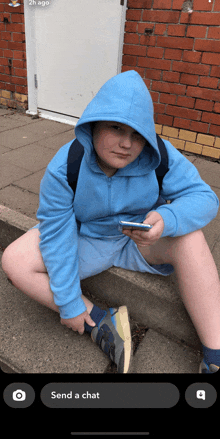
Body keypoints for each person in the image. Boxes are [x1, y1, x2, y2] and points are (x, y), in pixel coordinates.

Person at [2, 70, 220, 374]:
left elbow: (205, 197)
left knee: (191, 235)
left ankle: (215, 354)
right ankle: (102, 322)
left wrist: (166, 219)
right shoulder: (66, 167)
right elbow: (57, 233)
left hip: (140, 240)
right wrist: (69, 304)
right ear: (94, 125)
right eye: (116, 128)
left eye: (138, 135)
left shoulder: (162, 156)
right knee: (14, 260)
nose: (127, 144)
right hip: (88, 241)